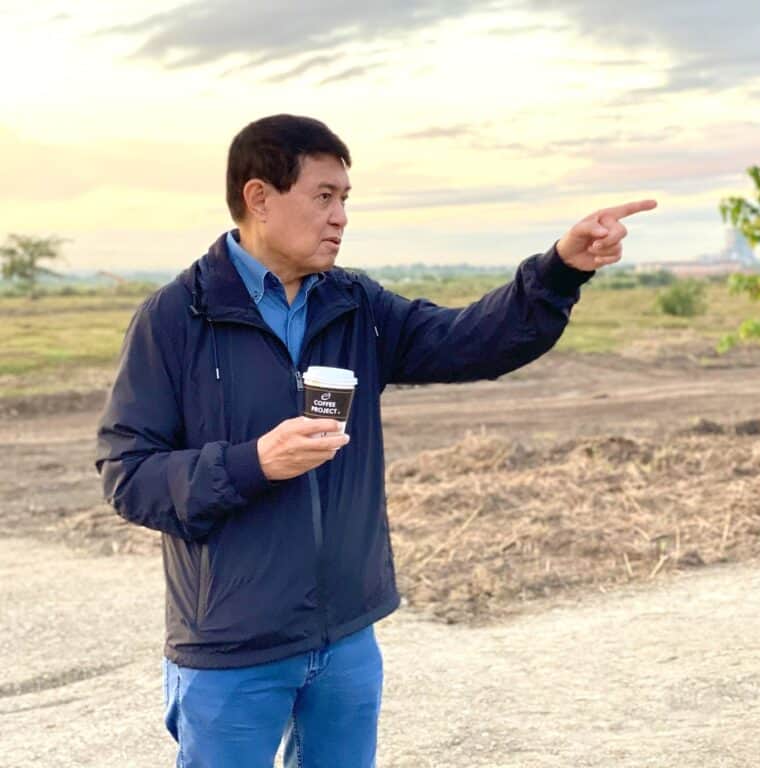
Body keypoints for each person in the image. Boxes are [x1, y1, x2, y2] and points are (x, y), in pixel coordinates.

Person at [96, 113, 656, 768]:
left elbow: (471, 340)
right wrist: (254, 463)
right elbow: (127, 475)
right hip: (231, 647)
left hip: (345, 640)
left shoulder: (355, 305)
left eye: (345, 200)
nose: (340, 217)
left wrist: (559, 271)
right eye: (323, 196)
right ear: (259, 197)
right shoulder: (176, 318)